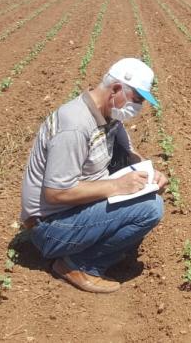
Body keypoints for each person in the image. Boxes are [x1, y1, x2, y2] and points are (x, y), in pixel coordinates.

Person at [19, 58, 168, 293]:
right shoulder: (75, 126)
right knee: (151, 208)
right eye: (137, 100)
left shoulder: (109, 115)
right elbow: (55, 193)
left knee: (143, 191)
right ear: (116, 89)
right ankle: (78, 264)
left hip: (74, 211)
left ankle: (93, 244)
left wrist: (151, 175)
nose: (138, 108)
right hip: (50, 226)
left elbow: (130, 155)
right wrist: (117, 186)